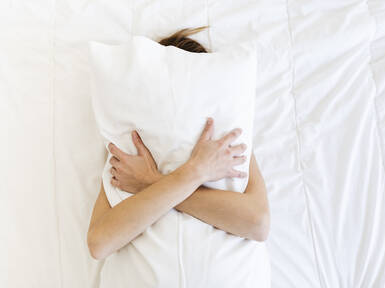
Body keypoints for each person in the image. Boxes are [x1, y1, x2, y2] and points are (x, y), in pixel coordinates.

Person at [87, 27, 271, 272]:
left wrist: (151, 182)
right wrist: (193, 174)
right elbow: (99, 243)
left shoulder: (224, 146)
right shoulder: (128, 148)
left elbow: (257, 223)